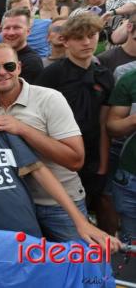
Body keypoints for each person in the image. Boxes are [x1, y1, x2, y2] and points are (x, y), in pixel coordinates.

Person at [0, 78, 119, 248]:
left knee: (53, 268)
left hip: (20, 220)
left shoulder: (0, 129)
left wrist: (79, 220)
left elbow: (39, 171)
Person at [0, 43, 95, 242]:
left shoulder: (50, 99)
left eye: (9, 66)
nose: (2, 73)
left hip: (60, 206)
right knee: (33, 271)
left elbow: (75, 160)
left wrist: (23, 129)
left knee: (83, 267)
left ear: (19, 67)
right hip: (17, 208)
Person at [35, 13, 115, 233]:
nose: (87, 42)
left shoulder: (104, 75)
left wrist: (102, 165)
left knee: (100, 208)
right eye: (79, 37)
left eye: (91, 36)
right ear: (66, 40)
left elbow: (103, 124)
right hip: (60, 156)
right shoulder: (52, 74)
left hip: (93, 156)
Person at [107, 69, 136, 240]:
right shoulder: (130, 79)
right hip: (131, 177)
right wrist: (133, 120)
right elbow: (112, 127)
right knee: (131, 245)